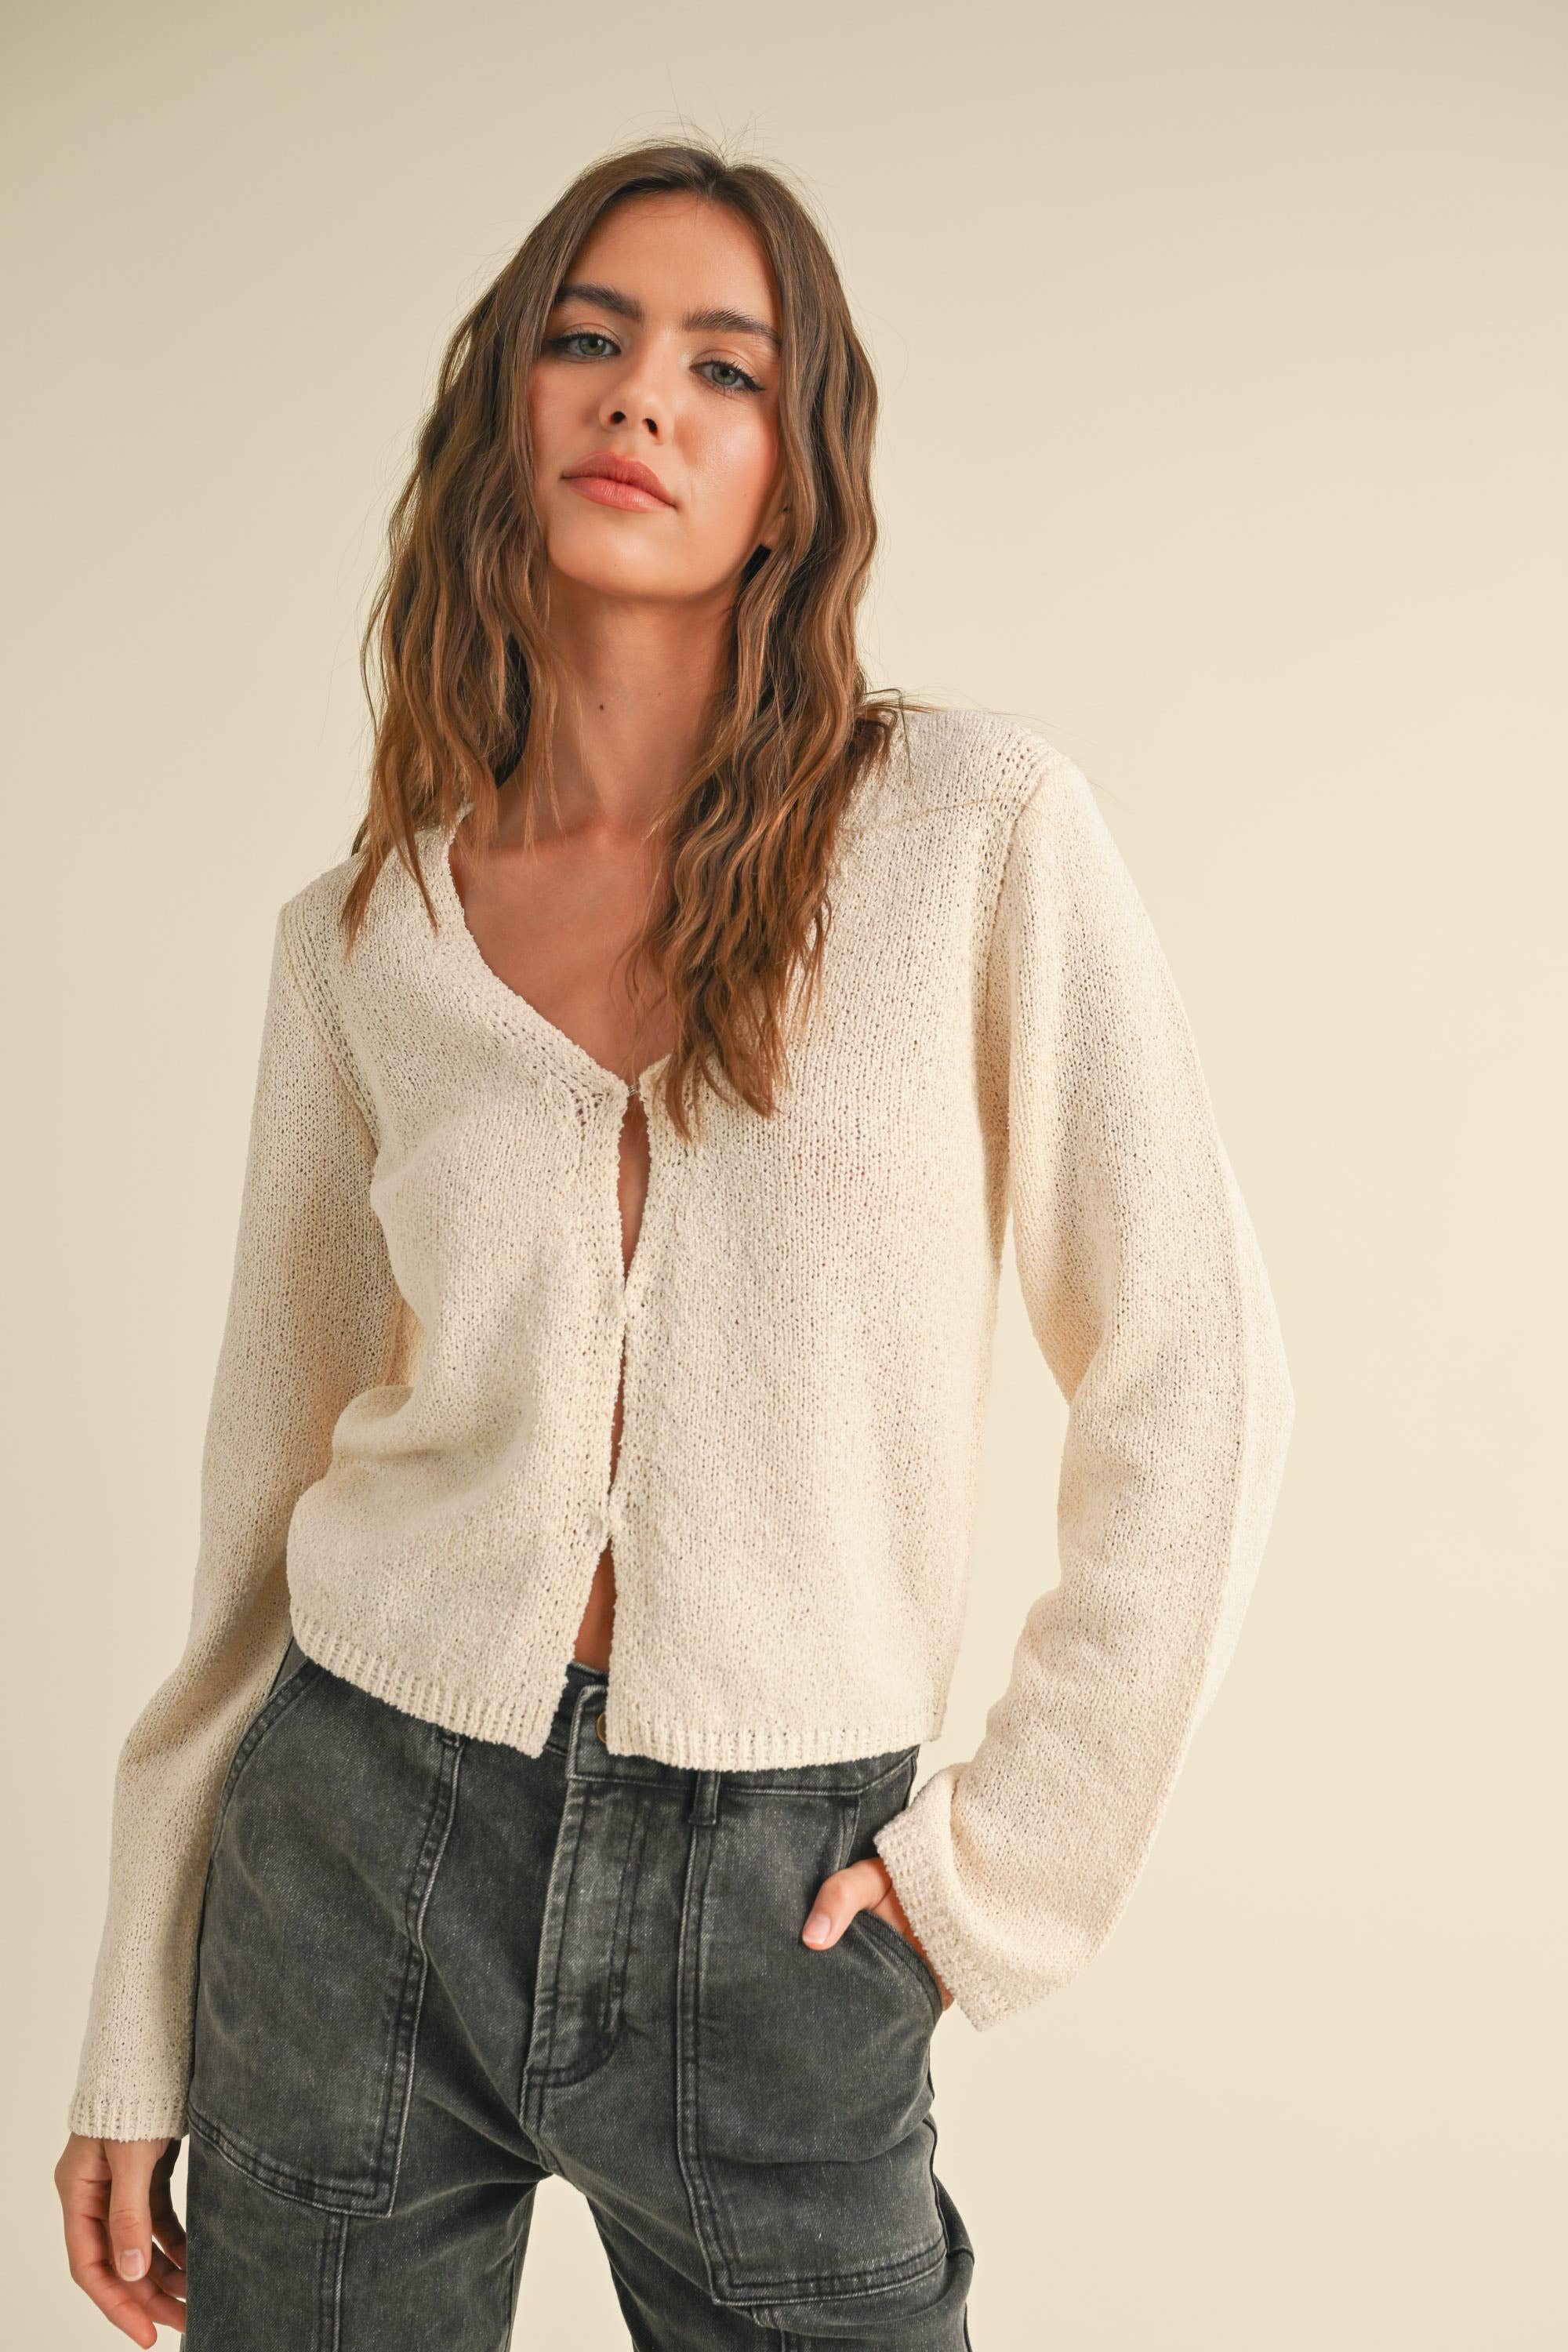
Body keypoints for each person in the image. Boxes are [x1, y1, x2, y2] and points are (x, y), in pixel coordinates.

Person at [54, 138, 1295, 2350]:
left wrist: (985, 1888)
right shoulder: (363, 942)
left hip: (783, 1901)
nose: (642, 394)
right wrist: (134, 2025)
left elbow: (1194, 1369)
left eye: (724, 367)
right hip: (357, 1848)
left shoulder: (971, 832)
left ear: (792, 477)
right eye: (591, 337)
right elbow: (258, 1512)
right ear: (509, 404)